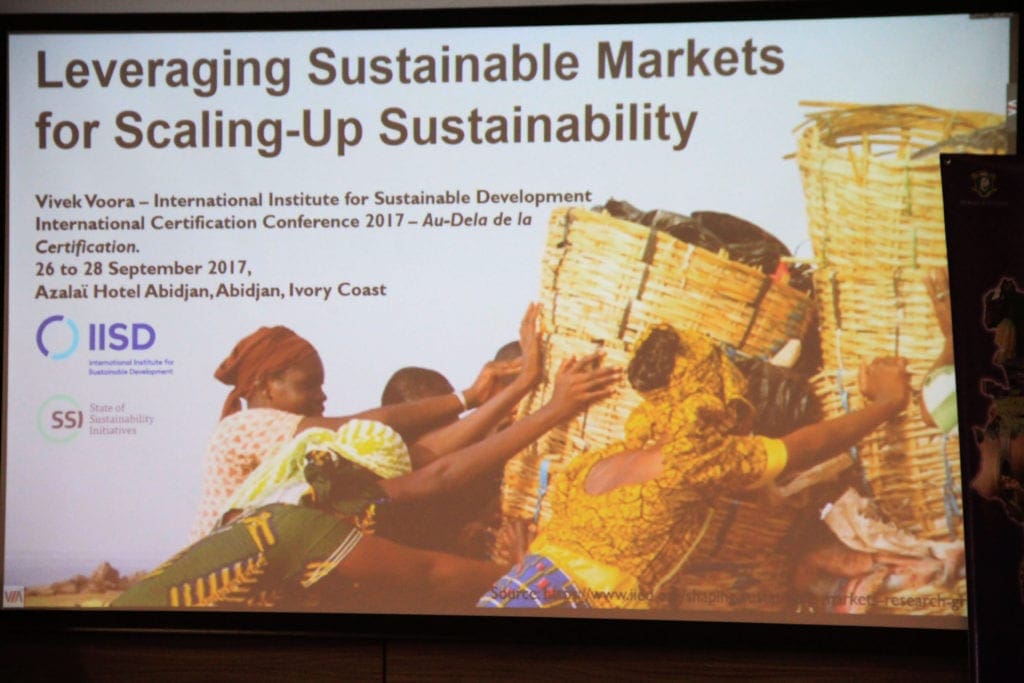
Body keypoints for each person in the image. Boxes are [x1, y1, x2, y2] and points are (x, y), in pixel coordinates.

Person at [113, 341, 621, 611]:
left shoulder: (299, 496)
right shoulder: (298, 524)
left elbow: (437, 473)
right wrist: (523, 572)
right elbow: (430, 569)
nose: (401, 491)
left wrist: (532, 390)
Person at [478, 324, 912, 609]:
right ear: (709, 391)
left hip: (510, 598)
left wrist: (523, 563)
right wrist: (888, 403)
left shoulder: (593, 465)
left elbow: (568, 556)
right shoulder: (692, 460)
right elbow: (807, 446)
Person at [189, 306, 533, 542]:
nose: (322, 396)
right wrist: (470, 397)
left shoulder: (307, 464)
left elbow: (419, 459)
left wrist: (507, 402)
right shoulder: (240, 429)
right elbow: (381, 429)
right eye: (308, 385)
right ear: (265, 386)